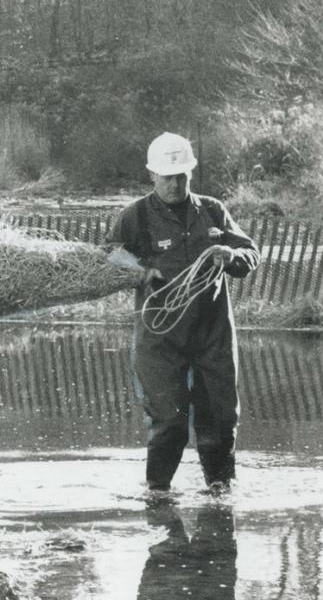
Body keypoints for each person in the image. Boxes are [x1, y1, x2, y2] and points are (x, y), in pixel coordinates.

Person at [106, 132, 258, 495]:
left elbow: (249, 252)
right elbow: (108, 258)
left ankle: (220, 493)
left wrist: (231, 256)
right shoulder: (135, 217)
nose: (175, 184)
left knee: (220, 419)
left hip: (212, 334)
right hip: (161, 337)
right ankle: (158, 495)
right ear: (152, 176)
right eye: (167, 177)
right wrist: (141, 272)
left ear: (191, 174)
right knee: (169, 422)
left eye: (181, 177)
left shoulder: (213, 210)